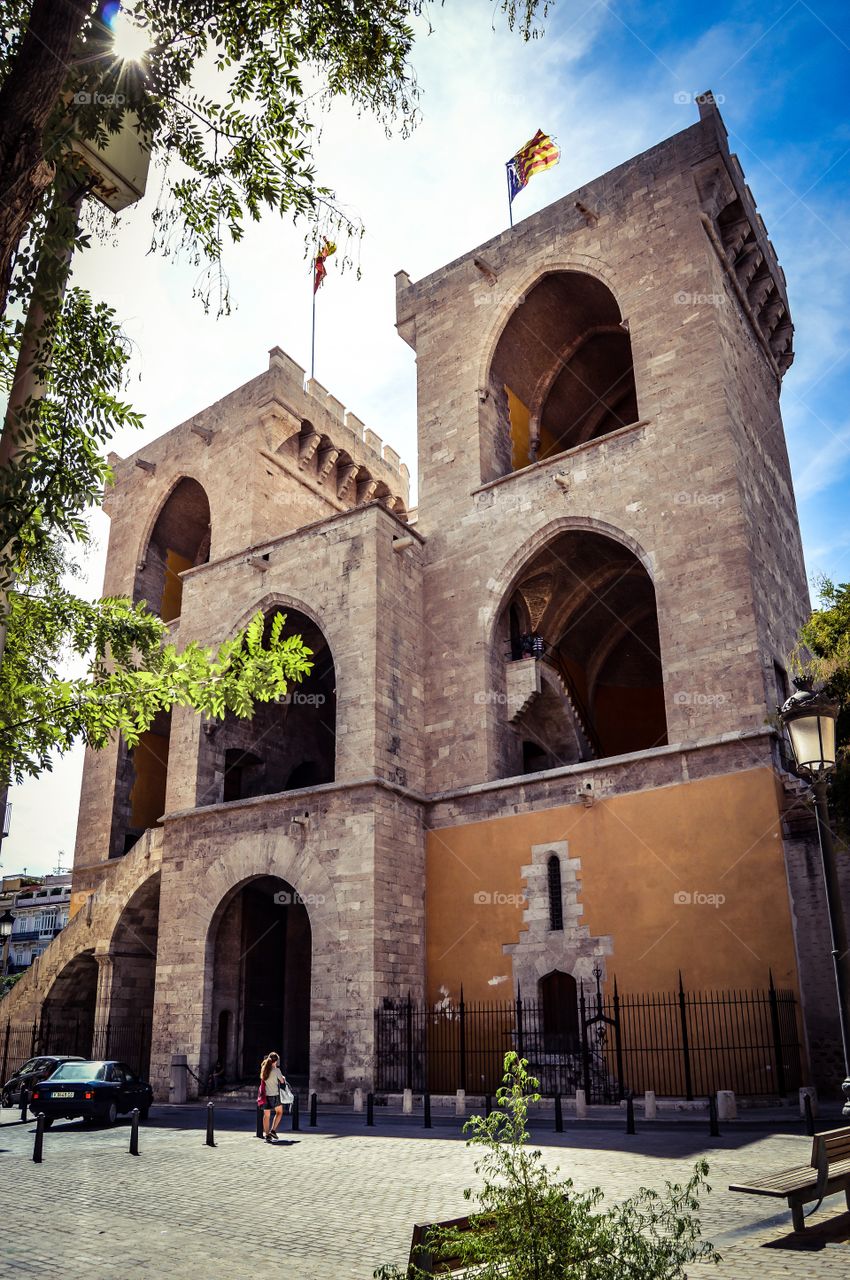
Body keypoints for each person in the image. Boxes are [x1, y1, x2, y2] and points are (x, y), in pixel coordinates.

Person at [258, 1051, 289, 1142]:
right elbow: (282, 1081)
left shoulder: (264, 1069)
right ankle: (273, 1130)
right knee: (279, 1112)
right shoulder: (276, 1070)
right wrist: (282, 1077)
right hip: (275, 1095)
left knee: (266, 1115)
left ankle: (267, 1135)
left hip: (265, 1096)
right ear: (276, 1061)